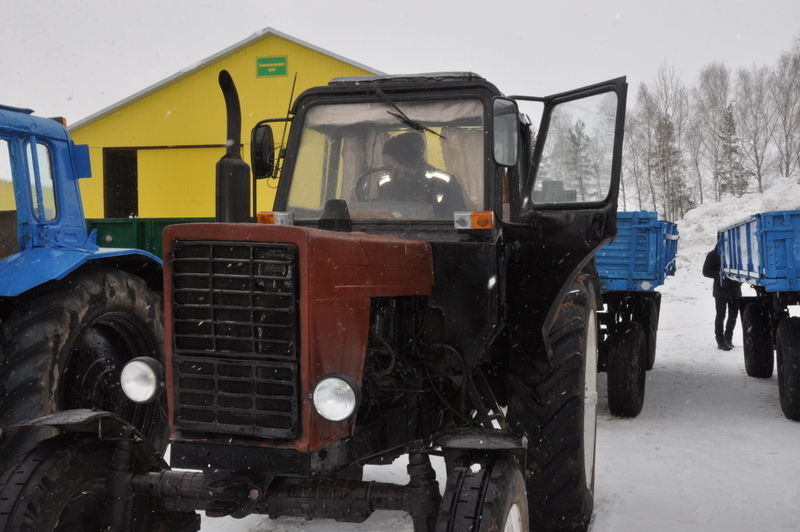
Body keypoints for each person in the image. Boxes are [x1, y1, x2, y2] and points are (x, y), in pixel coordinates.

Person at [376, 131, 467, 215]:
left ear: (404, 162)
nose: (386, 171)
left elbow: (457, 219)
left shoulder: (443, 182)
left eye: (389, 167)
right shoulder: (385, 183)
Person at [702, 241, 742, 350]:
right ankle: (720, 341)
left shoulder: (736, 253)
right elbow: (705, 272)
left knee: (733, 315)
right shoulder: (713, 255)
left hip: (735, 290)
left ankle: (728, 338)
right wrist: (719, 274)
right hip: (721, 291)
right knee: (721, 315)